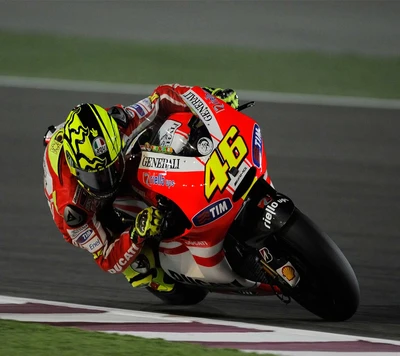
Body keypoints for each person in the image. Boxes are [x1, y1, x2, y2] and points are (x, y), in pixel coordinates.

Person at [42, 84, 239, 294]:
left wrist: (207, 103)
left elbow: (161, 98)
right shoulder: (72, 211)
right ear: (75, 169)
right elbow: (107, 259)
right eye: (96, 176)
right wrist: (136, 233)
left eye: (110, 168)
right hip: (91, 204)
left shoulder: (119, 123)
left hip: (115, 154)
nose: (107, 180)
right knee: (141, 267)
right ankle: (152, 270)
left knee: (160, 136)